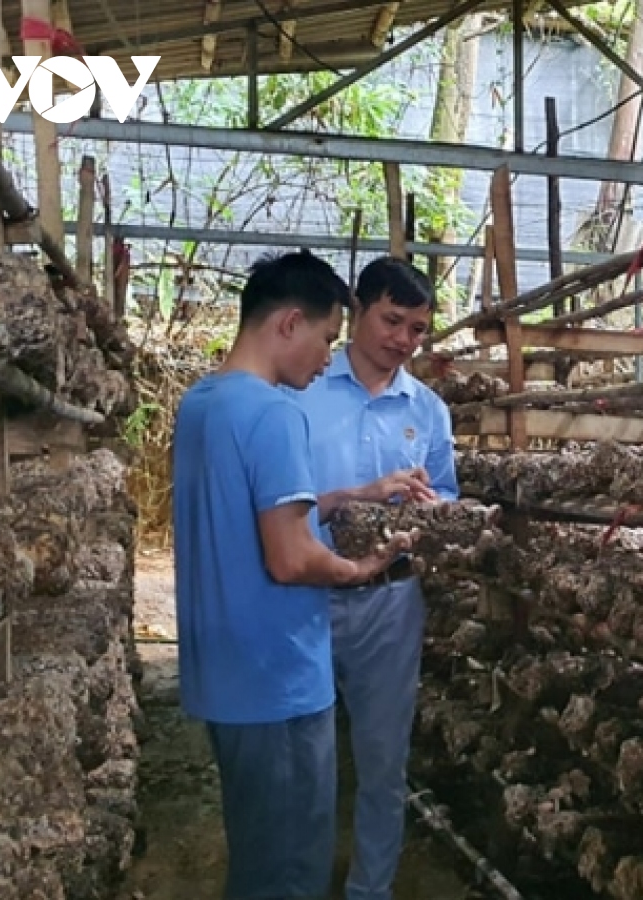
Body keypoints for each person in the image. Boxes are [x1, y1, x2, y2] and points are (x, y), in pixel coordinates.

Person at [171, 251, 408, 900]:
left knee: (256, 859)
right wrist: (362, 568)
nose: (328, 358)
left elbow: (250, 515)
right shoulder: (276, 415)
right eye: (327, 338)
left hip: (225, 678)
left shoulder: (203, 403)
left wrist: (354, 494)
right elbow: (290, 556)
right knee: (289, 873)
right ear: (289, 323)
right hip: (277, 682)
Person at [290, 255, 459, 900]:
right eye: (392, 320)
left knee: (385, 762)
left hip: (392, 601)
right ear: (357, 310)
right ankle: (296, 883)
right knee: (303, 759)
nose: (403, 340)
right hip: (304, 596)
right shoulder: (301, 391)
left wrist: (433, 513)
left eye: (417, 330)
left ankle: (370, 890)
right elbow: (280, 499)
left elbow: (446, 494)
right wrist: (358, 496)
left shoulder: (428, 410)